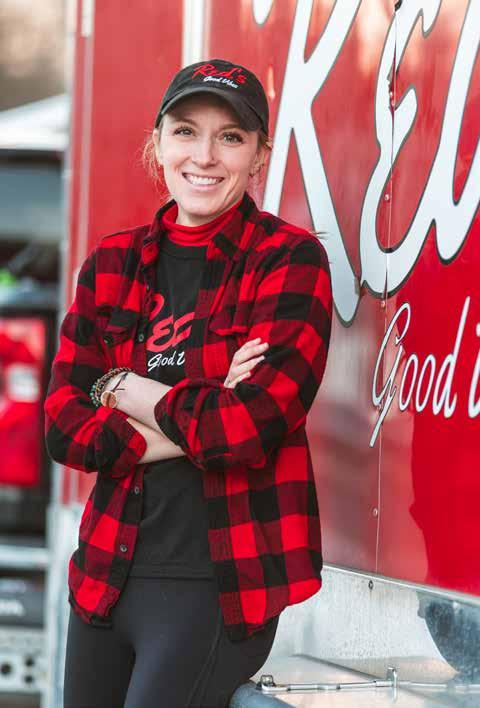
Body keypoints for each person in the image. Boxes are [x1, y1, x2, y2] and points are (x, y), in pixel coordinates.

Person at [44, 58, 334, 708]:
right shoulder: (112, 263)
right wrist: (210, 405)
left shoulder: (288, 260)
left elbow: (250, 429)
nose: (204, 156)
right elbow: (64, 429)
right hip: (103, 575)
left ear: (259, 156)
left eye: (230, 137)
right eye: (185, 132)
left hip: (217, 586)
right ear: (158, 144)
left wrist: (123, 386)